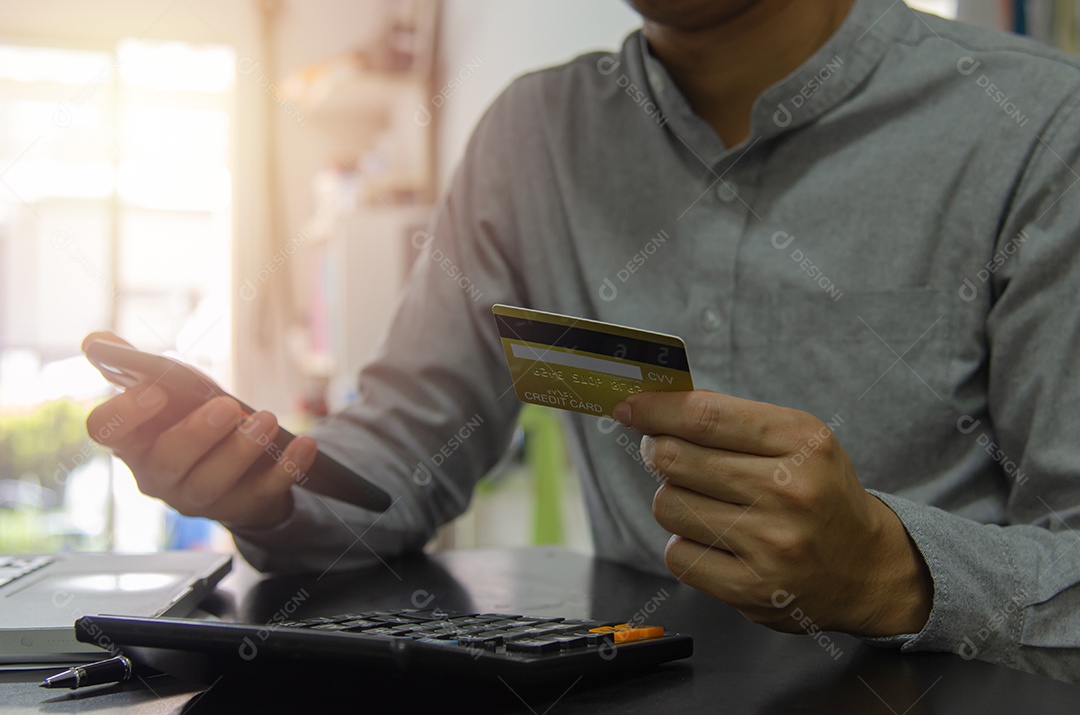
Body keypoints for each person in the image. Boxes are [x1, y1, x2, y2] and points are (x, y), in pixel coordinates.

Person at [86, 0, 1080, 682]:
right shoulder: (534, 136)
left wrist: (892, 573)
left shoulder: (1041, 130)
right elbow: (399, 459)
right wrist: (275, 487)